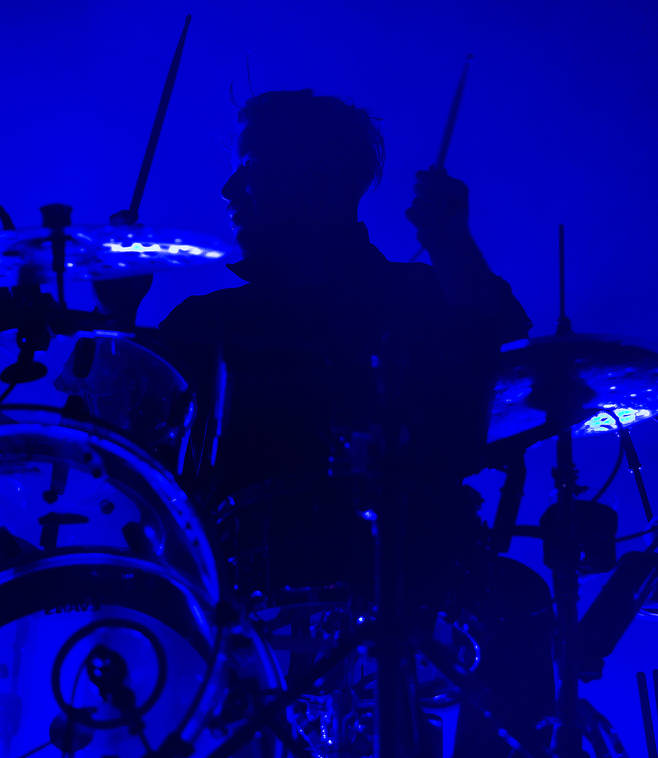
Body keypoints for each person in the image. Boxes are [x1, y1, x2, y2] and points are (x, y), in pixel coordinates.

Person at [95, 89, 553, 756]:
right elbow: (126, 451)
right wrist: (119, 324)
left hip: (414, 564)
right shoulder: (207, 321)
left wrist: (451, 241)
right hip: (241, 580)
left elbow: (493, 333)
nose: (229, 190)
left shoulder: (414, 297)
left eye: (247, 169)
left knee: (516, 599)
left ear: (315, 182)